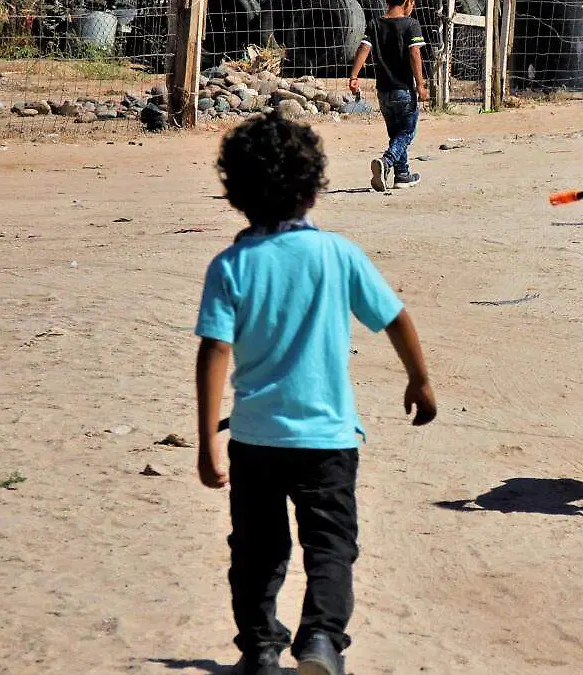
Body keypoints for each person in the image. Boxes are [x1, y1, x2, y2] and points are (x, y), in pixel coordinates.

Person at [195, 112, 438, 675]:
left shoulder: (230, 265)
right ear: (314, 188)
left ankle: (259, 649)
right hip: (328, 440)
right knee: (331, 546)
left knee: (257, 553)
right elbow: (396, 318)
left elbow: (214, 351)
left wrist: (207, 439)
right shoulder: (338, 254)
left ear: (236, 192)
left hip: (254, 440)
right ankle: (322, 642)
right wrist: (419, 380)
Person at [348, 0, 429, 192]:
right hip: (404, 91)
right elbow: (414, 52)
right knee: (407, 132)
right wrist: (421, 85)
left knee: (395, 134)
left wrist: (354, 76)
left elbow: (364, 48)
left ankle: (402, 174)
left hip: (383, 91)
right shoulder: (411, 24)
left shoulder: (375, 24)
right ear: (408, 2)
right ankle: (387, 162)